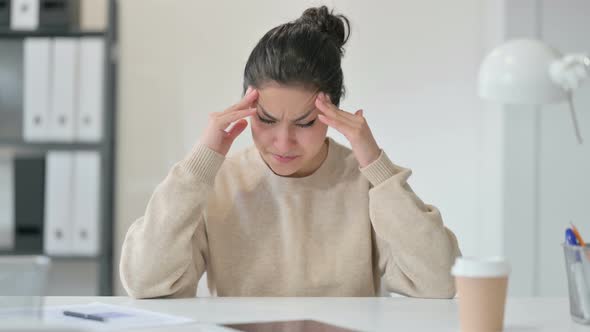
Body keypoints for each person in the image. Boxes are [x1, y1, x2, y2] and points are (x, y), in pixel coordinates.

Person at [120, 6, 461, 298]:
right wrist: (198, 165)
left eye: (305, 123)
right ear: (246, 108)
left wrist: (375, 163)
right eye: (266, 120)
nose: (283, 143)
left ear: (333, 116)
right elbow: (144, 281)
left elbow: (440, 281)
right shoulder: (216, 183)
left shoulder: (365, 183)